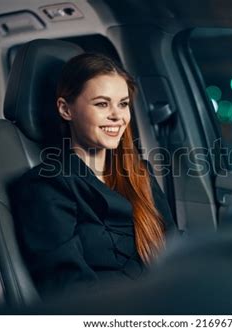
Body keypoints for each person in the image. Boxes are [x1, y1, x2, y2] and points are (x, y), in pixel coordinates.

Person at [13, 53, 177, 298]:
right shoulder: (46, 186)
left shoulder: (139, 173)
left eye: (123, 104)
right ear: (66, 109)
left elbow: (174, 248)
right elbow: (70, 291)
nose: (117, 116)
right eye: (102, 104)